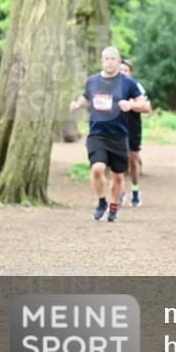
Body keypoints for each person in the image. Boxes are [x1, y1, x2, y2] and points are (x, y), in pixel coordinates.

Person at [69, 47, 145, 222]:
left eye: (113, 58)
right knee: (97, 169)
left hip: (119, 136)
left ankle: (113, 207)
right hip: (97, 134)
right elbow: (86, 98)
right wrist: (77, 104)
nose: (109, 62)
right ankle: (101, 202)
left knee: (118, 176)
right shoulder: (92, 81)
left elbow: (142, 102)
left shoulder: (127, 83)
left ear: (118, 61)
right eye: (106, 58)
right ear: (102, 61)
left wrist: (131, 105)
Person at [119, 59, 151, 207]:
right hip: (116, 127)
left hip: (133, 126)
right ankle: (120, 191)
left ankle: (135, 189)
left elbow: (147, 108)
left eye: (125, 70)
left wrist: (132, 105)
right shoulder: (111, 85)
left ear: (130, 72)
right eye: (121, 70)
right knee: (118, 159)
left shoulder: (135, 86)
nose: (123, 73)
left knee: (133, 159)